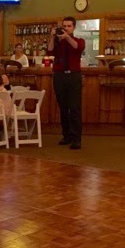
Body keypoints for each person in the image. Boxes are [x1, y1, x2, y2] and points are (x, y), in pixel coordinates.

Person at [47, 17, 85, 150]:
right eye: (64, 26)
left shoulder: (79, 40)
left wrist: (67, 37)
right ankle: (66, 136)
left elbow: (77, 48)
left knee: (74, 108)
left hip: (73, 76)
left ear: (74, 28)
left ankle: (76, 139)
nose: (66, 28)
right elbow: (49, 51)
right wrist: (52, 37)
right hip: (59, 76)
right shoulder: (58, 41)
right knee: (63, 108)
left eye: (69, 26)